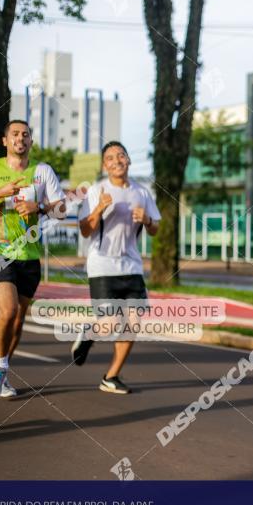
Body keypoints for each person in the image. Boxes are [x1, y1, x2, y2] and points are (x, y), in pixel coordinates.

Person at [0, 120, 65, 398]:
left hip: (29, 255)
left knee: (18, 320)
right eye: (15, 134)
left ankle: (2, 374)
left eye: (26, 134)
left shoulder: (42, 172)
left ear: (31, 141)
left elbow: (61, 209)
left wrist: (41, 207)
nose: (20, 138)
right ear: (5, 141)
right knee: (7, 311)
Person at [71, 141, 160, 394]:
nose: (117, 160)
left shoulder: (142, 193)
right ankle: (89, 333)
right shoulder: (97, 190)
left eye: (121, 155)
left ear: (129, 160)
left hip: (131, 265)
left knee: (133, 322)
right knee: (110, 324)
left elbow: (155, 230)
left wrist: (148, 219)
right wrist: (98, 209)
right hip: (102, 265)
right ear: (104, 165)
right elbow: (86, 230)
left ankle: (111, 376)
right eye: (110, 158)